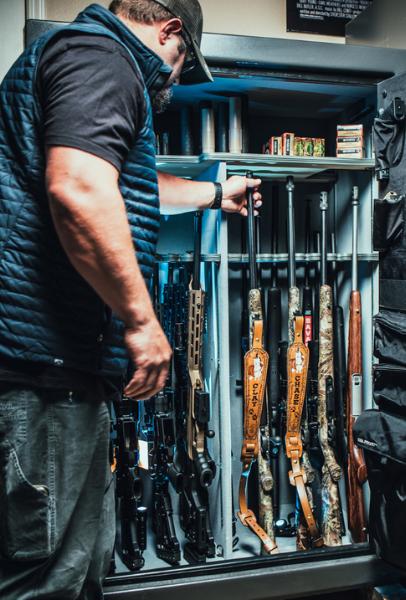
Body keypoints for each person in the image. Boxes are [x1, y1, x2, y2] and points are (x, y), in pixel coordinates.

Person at [0, 0, 259, 598]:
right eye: (180, 64)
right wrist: (141, 322)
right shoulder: (102, 57)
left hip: (62, 376)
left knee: (79, 567)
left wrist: (215, 194)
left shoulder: (88, 57)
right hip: (43, 373)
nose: (173, 79)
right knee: (46, 578)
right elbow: (82, 190)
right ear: (169, 31)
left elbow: (123, 184)